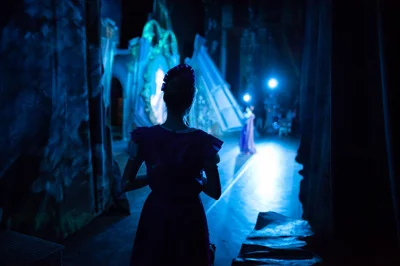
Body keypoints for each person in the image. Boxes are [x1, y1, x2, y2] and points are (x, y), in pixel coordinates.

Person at [121, 64, 223, 266]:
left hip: (155, 215)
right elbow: (215, 191)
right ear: (191, 101)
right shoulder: (204, 143)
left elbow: (125, 183)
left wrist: (156, 177)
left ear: (165, 99)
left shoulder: (144, 138)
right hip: (190, 217)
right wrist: (193, 179)